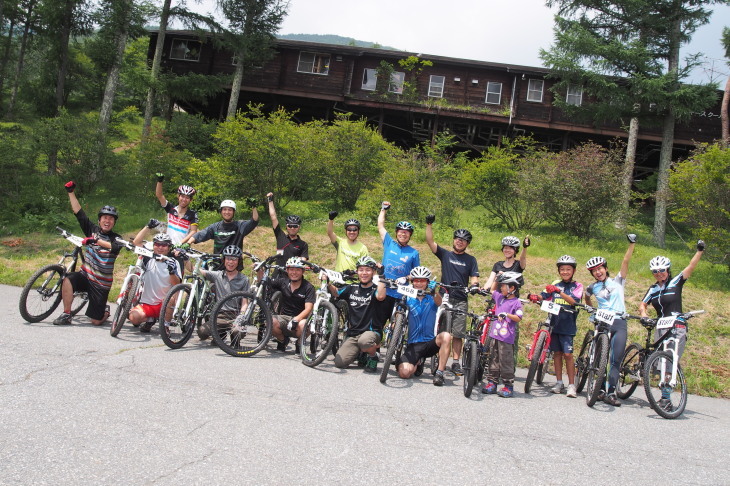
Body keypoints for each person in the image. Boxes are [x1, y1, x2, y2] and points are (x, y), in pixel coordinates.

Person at [638, 240, 705, 409]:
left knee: (670, 360)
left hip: (677, 326)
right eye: (655, 271)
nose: (658, 273)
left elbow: (690, 266)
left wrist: (699, 251)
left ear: (667, 270)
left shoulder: (675, 282)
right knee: (658, 361)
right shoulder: (653, 289)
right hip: (661, 326)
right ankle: (656, 386)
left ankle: (666, 397)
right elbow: (642, 305)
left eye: (661, 270)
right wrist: (644, 315)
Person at [53, 181, 122, 326]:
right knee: (67, 278)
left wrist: (95, 241)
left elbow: (114, 248)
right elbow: (79, 213)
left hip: (101, 284)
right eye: (105, 218)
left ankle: (105, 311)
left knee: (96, 321)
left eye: (111, 219)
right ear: (99, 220)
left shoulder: (117, 238)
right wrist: (70, 192)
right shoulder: (93, 229)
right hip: (86, 276)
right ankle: (67, 314)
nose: (107, 221)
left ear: (114, 222)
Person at [584, 234, 637, 407]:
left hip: (619, 322)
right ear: (592, 273)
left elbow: (626, 262)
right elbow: (586, 297)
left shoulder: (618, 281)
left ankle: (611, 391)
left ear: (606, 268)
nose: (598, 272)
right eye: (594, 270)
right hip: (602, 322)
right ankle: (599, 389)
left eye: (600, 268)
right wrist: (591, 308)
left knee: (615, 358)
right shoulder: (593, 287)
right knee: (601, 357)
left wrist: (631, 245)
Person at [424, 214, 480, 377]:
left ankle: (455, 362)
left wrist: (475, 285)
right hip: (444, 297)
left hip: (461, 299)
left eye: (463, 240)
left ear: (467, 244)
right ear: (454, 240)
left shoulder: (471, 260)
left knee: (458, 333)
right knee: (441, 331)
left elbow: (474, 277)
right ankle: (438, 359)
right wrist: (429, 224)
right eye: (457, 238)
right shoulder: (445, 255)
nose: (459, 241)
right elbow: (430, 242)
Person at [529, 255, 583, 398]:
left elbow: (573, 302)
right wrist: (536, 297)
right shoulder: (555, 283)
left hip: (568, 325)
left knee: (568, 355)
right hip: (554, 324)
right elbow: (544, 295)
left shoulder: (577, 286)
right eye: (562, 269)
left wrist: (559, 292)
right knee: (557, 354)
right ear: (559, 271)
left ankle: (571, 385)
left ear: (574, 271)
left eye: (568, 269)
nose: (565, 272)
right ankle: (559, 382)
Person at [395, 266, 453, 386]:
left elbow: (439, 302)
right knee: (404, 373)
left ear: (428, 282)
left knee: (446, 336)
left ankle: (440, 373)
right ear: (412, 282)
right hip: (414, 345)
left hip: (430, 342)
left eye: (423, 280)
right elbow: (399, 313)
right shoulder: (408, 297)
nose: (419, 283)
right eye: (416, 280)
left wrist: (434, 292)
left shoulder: (432, 298)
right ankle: (418, 362)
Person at [329, 256, 387, 372]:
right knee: (339, 362)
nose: (364, 273)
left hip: (371, 333)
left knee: (364, 341)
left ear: (373, 272)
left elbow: (381, 296)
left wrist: (381, 276)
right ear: (357, 272)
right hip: (354, 334)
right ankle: (361, 353)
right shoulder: (352, 288)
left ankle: (372, 356)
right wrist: (326, 282)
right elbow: (336, 293)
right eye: (361, 270)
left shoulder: (376, 289)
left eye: (367, 270)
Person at [483, 235, 530, 371]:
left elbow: (523, 261)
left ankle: (509, 367)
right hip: (497, 300)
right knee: (491, 330)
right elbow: (490, 280)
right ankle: (489, 362)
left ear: (515, 250)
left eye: (511, 248)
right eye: (505, 248)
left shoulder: (517, 265)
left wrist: (525, 248)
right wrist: (483, 288)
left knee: (510, 335)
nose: (507, 250)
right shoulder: (497, 265)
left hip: (510, 304)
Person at [193, 245, 251, 342]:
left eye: (234, 259)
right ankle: (221, 333)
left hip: (235, 316)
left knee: (237, 334)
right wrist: (186, 260)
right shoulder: (217, 275)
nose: (231, 262)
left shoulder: (244, 279)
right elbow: (198, 271)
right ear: (224, 260)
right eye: (228, 259)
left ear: (239, 261)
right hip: (219, 315)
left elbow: (245, 302)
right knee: (202, 332)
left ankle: (233, 334)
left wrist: (241, 316)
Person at [128, 229, 182, 332]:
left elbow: (177, 284)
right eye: (157, 244)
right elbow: (136, 243)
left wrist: (171, 271)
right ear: (153, 245)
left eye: (164, 245)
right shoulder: (148, 258)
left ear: (169, 247)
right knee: (133, 318)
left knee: (171, 297)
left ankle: (165, 326)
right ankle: (150, 319)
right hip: (147, 304)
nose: (160, 247)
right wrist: (147, 227)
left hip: (165, 304)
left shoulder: (174, 262)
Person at [377, 201, 420, 323]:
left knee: (396, 325)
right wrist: (383, 209)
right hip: (384, 290)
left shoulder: (413, 253)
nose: (403, 234)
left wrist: (406, 278)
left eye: (406, 232)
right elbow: (380, 225)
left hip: (400, 293)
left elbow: (415, 274)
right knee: (378, 323)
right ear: (396, 232)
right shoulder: (389, 243)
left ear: (410, 235)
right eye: (401, 231)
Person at [482, 272, 524, 398]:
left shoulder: (516, 302)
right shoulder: (500, 298)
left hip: (506, 338)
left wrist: (507, 315)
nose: (501, 287)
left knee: (506, 361)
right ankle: (492, 382)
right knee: (493, 359)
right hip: (495, 336)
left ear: (512, 288)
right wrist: (496, 278)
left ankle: (508, 385)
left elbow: (518, 317)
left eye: (504, 285)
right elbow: (492, 290)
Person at [269, 257, 315, 352]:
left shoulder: (308, 287)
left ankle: (299, 343)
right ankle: (282, 341)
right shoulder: (283, 282)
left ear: (303, 271)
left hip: (300, 320)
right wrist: (259, 271)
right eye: (291, 269)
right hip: (284, 318)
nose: (294, 272)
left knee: (304, 325)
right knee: (270, 321)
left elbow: (309, 308)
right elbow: (265, 282)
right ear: (287, 270)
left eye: (297, 270)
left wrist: (296, 319)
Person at [190, 198, 259, 255]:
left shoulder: (240, 225)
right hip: (218, 264)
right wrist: (188, 243)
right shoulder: (215, 227)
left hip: (234, 265)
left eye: (230, 210)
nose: (227, 212)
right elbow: (201, 234)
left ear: (234, 212)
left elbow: (254, 221)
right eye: (224, 209)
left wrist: (254, 207)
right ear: (221, 211)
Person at [266, 192, 308, 274]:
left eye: (295, 226)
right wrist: (270, 201)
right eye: (290, 226)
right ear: (286, 226)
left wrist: (299, 259)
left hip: (292, 276)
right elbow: (273, 217)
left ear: (299, 227)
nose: (292, 228)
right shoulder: (280, 236)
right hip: (277, 274)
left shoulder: (303, 244)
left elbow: (304, 260)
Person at [154, 173, 198, 246]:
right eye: (182, 196)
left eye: (187, 197)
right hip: (167, 245)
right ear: (178, 196)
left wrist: (181, 243)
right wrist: (159, 181)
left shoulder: (192, 214)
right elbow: (159, 195)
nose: (184, 199)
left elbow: (193, 231)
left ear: (191, 200)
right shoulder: (170, 208)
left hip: (180, 248)